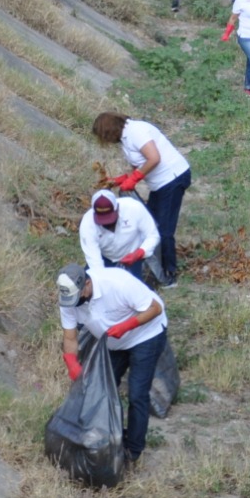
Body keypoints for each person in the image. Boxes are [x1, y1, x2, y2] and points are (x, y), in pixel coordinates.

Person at [56, 263, 168, 465]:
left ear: (87, 284)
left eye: (77, 298)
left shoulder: (117, 283)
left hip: (146, 335)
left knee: (137, 393)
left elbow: (156, 308)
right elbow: (71, 338)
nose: (74, 304)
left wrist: (127, 325)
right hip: (114, 342)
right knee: (99, 390)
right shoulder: (68, 299)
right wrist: (72, 364)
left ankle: (132, 451)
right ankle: (104, 437)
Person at [92, 113, 191, 288]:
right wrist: (121, 179)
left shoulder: (136, 131)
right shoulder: (125, 139)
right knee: (149, 224)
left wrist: (135, 179)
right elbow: (139, 164)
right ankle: (154, 268)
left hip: (172, 179)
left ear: (109, 131)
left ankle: (169, 273)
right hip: (159, 184)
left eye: (104, 137)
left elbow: (154, 158)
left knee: (163, 230)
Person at [80, 188, 160, 279]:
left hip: (133, 254)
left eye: (110, 219)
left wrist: (139, 253)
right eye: (102, 220)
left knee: (133, 288)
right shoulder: (87, 224)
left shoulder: (134, 208)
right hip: (105, 256)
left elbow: (153, 235)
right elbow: (95, 261)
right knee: (88, 285)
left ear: (117, 208)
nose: (107, 224)